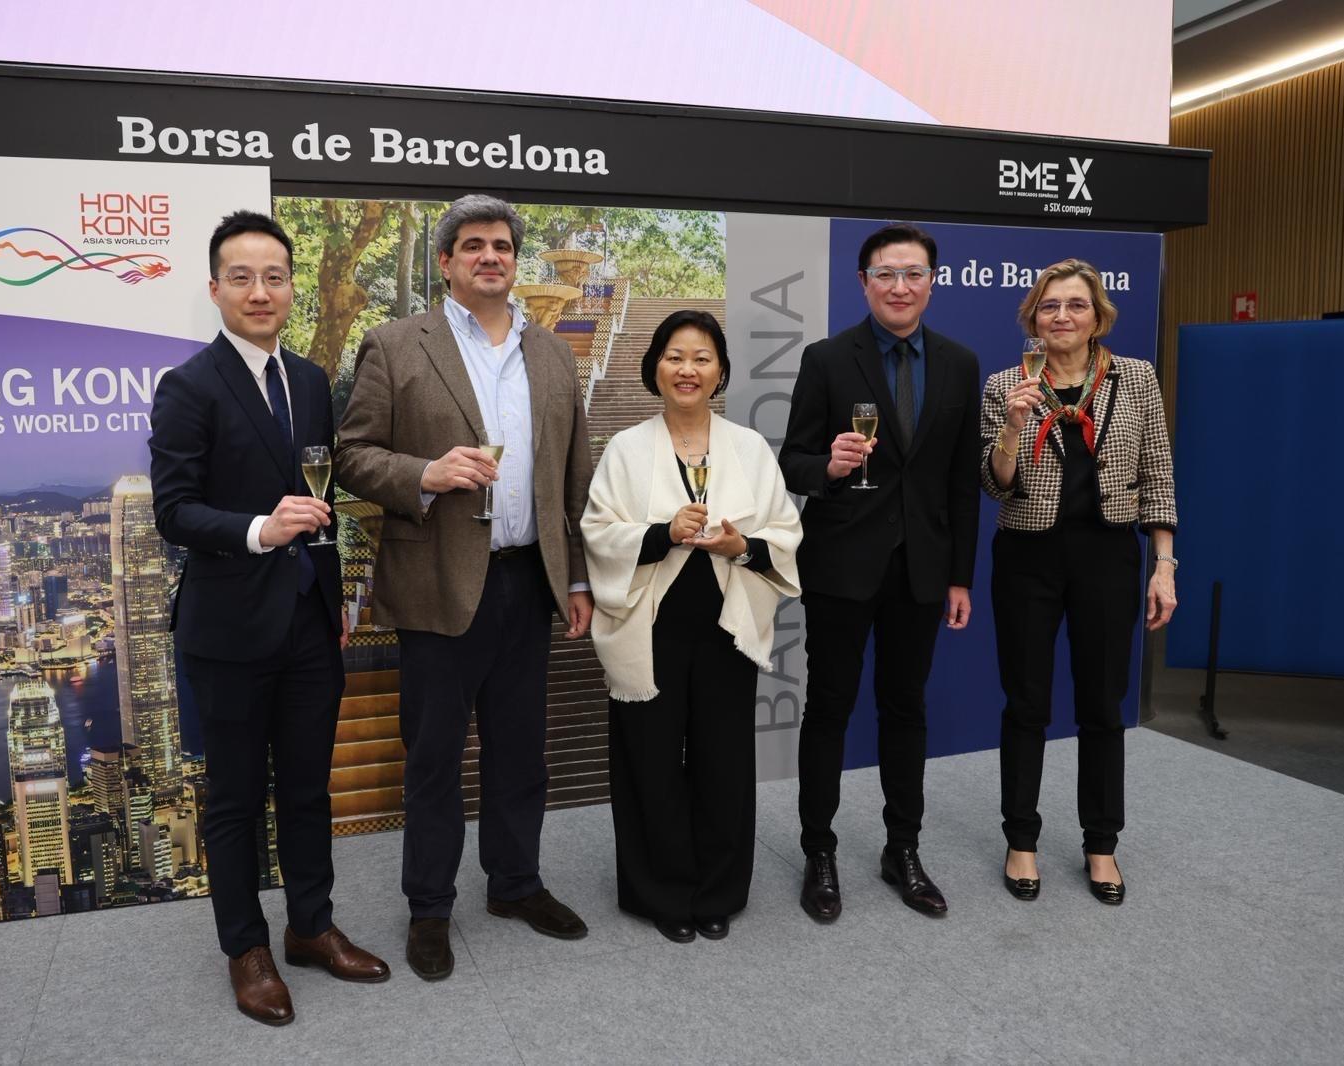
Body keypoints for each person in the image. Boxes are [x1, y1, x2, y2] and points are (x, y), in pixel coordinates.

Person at [334, 194, 594, 981]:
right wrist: (426, 473)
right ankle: (430, 908)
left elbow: (574, 474)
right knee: (436, 759)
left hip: (527, 583)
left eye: (504, 246)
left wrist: (577, 576)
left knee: (522, 754)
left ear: (516, 261)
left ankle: (515, 885)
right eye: (474, 245)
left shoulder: (549, 354)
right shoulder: (392, 345)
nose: (491, 256)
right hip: (439, 586)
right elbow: (351, 454)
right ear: (445, 262)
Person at [149, 211, 389, 1026]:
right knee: (235, 798)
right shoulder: (188, 387)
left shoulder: (314, 382)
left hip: (310, 621)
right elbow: (174, 513)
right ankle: (245, 948)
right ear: (215, 288)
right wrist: (259, 529)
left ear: (291, 286)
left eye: (275, 276)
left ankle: (311, 928)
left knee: (309, 790)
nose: (261, 291)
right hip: (228, 630)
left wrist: (340, 594)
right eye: (242, 277)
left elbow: (325, 499)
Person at [779, 222, 980, 920]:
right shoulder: (828, 359)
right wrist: (827, 467)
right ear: (863, 282)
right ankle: (820, 850)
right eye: (886, 274)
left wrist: (961, 576)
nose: (900, 286)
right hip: (842, 562)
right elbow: (792, 462)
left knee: (906, 709)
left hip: (922, 571)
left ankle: (903, 848)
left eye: (914, 273)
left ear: (932, 281)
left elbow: (961, 481)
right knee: (829, 709)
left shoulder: (959, 363)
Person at [583, 311, 801, 943]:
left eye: (702, 358)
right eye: (675, 356)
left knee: (724, 763)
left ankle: (718, 891)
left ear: (722, 372)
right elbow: (598, 531)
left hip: (726, 630)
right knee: (647, 762)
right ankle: (660, 892)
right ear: (655, 366)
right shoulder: (625, 448)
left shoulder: (750, 448)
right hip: (649, 629)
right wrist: (660, 533)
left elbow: (785, 533)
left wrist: (739, 545)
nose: (688, 369)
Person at [982, 258, 1177, 906]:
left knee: (1101, 706)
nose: (1062, 316)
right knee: (1026, 703)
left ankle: (1101, 844)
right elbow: (995, 483)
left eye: (1076, 305)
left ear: (1099, 317)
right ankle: (1022, 839)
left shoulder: (1136, 379)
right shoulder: (1007, 383)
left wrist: (1165, 565)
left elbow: (1158, 471)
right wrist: (1012, 423)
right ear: (1032, 318)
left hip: (1108, 556)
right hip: (1028, 557)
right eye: (1049, 306)